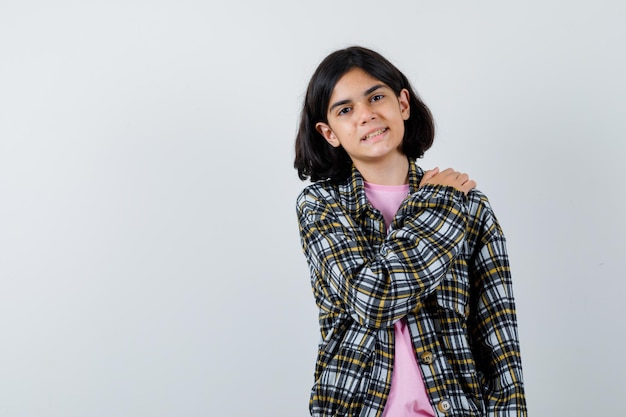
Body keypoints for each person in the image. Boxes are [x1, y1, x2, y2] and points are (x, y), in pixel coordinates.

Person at [293, 46, 527, 417]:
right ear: (329, 132)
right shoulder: (321, 205)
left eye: (377, 97)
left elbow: (499, 341)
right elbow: (371, 299)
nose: (367, 115)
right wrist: (431, 207)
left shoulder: (468, 206)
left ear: (403, 104)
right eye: (345, 109)